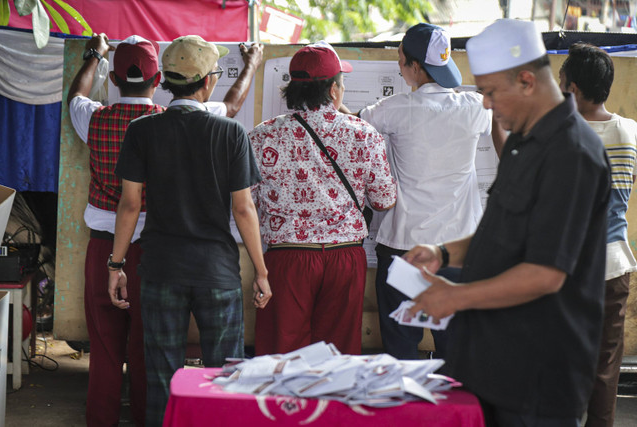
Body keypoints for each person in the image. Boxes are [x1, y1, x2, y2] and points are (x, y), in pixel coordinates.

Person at [403, 19, 610, 426]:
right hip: (494, 363)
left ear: (527, 81)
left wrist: (454, 297)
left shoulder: (574, 154)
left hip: (538, 377)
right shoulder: (522, 139)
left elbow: (545, 274)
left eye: (490, 92)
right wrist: (444, 253)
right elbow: (501, 230)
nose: (485, 104)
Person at [67, 33, 263, 426]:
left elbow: (129, 202)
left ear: (165, 81)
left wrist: (114, 263)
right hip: (203, 264)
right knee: (217, 373)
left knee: (144, 366)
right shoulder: (221, 130)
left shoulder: (122, 126)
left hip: (143, 260)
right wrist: (260, 270)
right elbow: (242, 206)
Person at [349, 23, 492, 360]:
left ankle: (406, 413)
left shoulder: (393, 109)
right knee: (456, 355)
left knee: (401, 353)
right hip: (458, 254)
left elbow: (351, 125)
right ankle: (455, 414)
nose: (399, 68)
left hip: (404, 251)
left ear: (415, 67)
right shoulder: (474, 107)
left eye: (400, 61)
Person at [248, 41, 397, 356]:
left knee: (282, 356)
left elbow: (245, 203)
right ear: (334, 90)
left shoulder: (262, 135)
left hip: (286, 258)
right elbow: (384, 200)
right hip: (344, 258)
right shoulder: (364, 134)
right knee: (337, 356)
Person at [559, 43, 637, 427]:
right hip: (614, 263)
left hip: (566, 266)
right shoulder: (630, 131)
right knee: (607, 365)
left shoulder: (560, 133)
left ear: (573, 88)